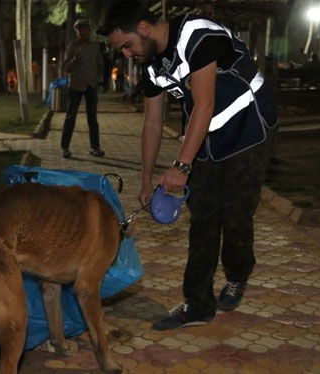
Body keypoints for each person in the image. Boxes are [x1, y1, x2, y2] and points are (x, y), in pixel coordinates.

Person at [100, 4, 278, 330]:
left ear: (143, 28)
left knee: (235, 215)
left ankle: (238, 272)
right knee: (203, 221)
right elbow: (152, 124)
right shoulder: (151, 65)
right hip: (206, 138)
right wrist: (145, 181)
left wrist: (181, 167)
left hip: (250, 129)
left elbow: (205, 103)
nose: (126, 55)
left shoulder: (197, 34)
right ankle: (198, 305)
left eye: (126, 45)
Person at [60, 18, 105, 159]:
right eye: (79, 29)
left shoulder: (95, 46)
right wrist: (74, 60)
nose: (82, 31)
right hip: (76, 85)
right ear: (76, 31)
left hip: (91, 85)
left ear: (89, 30)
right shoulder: (72, 47)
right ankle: (65, 147)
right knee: (70, 117)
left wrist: (98, 78)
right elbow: (66, 68)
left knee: (92, 118)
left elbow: (100, 64)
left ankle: (95, 147)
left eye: (85, 28)